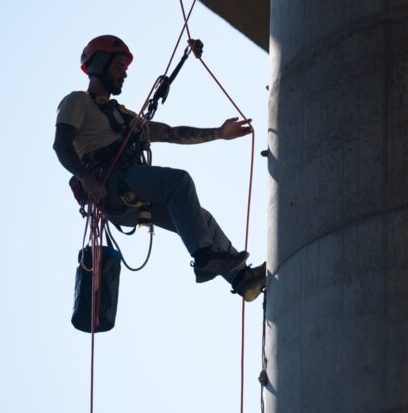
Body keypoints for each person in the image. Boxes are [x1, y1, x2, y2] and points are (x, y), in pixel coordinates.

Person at [53, 35, 266, 301]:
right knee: (178, 182)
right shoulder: (77, 101)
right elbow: (61, 144)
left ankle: (241, 278)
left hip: (132, 190)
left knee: (202, 218)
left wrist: (219, 133)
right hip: (112, 184)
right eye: (119, 67)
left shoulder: (123, 117)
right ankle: (204, 257)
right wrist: (86, 179)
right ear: (98, 65)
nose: (124, 75)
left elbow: (169, 133)